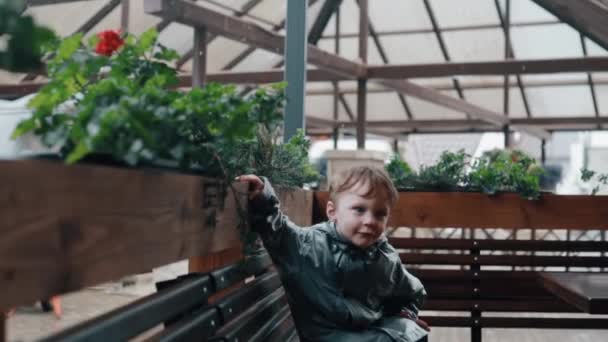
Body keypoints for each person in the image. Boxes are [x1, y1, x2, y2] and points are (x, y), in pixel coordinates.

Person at [236, 165, 429, 342]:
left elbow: (411, 293)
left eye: (380, 214)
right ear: (332, 211)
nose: (370, 220)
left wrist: (406, 315)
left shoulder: (385, 256)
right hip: (326, 336)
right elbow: (278, 230)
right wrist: (263, 197)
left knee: (414, 334)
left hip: (369, 332)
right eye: (359, 209)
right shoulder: (308, 246)